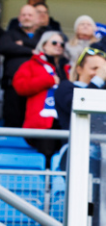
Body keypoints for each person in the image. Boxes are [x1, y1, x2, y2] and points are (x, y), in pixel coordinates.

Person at [13, 31, 68, 166]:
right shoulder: (30, 65)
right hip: (42, 123)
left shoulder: (66, 68)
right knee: (47, 156)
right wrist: (48, 80)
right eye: (54, 42)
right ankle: (48, 187)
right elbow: (20, 86)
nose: (58, 46)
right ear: (43, 46)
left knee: (66, 157)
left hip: (64, 122)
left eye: (62, 44)